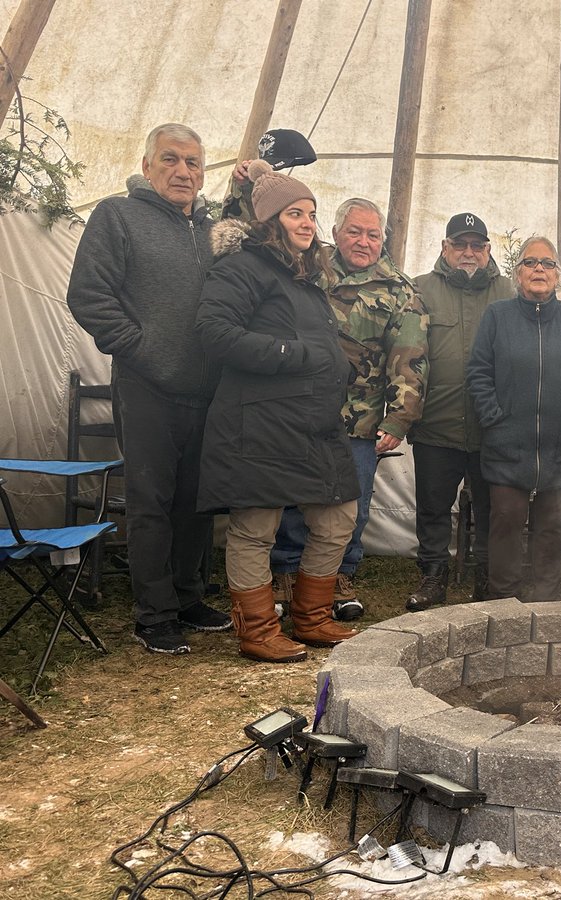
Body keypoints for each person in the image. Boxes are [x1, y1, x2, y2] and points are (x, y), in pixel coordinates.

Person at [67, 123, 231, 655]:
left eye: (193, 163)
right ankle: (154, 613)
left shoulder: (213, 227)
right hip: (146, 387)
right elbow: (89, 295)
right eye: (171, 159)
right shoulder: (117, 215)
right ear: (147, 166)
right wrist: (141, 349)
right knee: (151, 502)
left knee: (196, 502)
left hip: (207, 392)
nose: (183, 171)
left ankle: (187, 597)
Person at [195, 161, 359, 663]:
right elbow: (213, 332)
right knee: (256, 527)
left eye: (311, 213)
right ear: (268, 221)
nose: (308, 222)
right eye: (295, 213)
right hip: (259, 421)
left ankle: (311, 617)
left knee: (338, 515)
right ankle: (258, 630)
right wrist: (293, 355)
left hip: (311, 423)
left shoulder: (305, 276)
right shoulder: (243, 267)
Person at [267, 197, 428, 621]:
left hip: (360, 418)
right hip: (297, 411)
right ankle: (285, 571)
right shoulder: (304, 269)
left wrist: (398, 419)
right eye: (354, 231)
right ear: (335, 233)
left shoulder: (400, 291)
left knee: (351, 502)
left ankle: (338, 577)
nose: (363, 241)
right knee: (291, 495)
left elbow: (409, 360)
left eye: (373, 235)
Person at [466, 236, 561, 601]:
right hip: (507, 443)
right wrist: (494, 418)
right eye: (531, 263)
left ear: (558, 274)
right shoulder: (498, 315)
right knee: (505, 522)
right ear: (518, 272)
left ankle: (545, 599)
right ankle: (504, 600)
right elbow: (479, 371)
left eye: (547, 264)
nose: (539, 270)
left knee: (551, 527)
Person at [406, 213, 514, 611]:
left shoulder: (510, 291)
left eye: (477, 245)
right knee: (433, 506)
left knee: (491, 506)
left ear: (488, 250)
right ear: (444, 248)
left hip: (493, 427)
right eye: (460, 244)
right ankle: (433, 577)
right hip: (437, 422)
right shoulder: (419, 288)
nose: (468, 253)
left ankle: (487, 578)